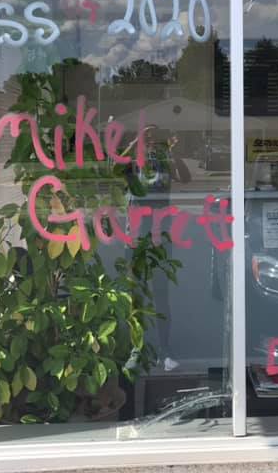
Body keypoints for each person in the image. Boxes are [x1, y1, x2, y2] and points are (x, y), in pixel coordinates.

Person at [121, 124, 191, 372]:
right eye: (147, 140)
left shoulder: (164, 164)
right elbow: (114, 166)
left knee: (161, 296)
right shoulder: (133, 164)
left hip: (160, 239)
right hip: (135, 240)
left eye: (154, 140)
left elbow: (186, 177)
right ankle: (137, 349)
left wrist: (172, 153)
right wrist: (136, 142)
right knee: (136, 296)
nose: (150, 145)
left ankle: (165, 350)